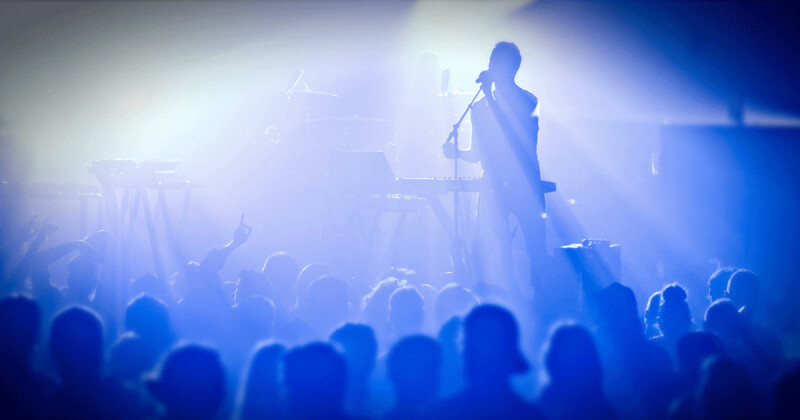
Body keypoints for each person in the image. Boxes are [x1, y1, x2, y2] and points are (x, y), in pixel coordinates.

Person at [442, 41, 546, 289]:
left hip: (525, 185)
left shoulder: (529, 101)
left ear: (512, 69)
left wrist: (489, 95)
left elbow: (515, 136)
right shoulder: (479, 108)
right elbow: (477, 154)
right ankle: (501, 293)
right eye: (490, 62)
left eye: (496, 63)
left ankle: (540, 297)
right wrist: (456, 153)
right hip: (493, 186)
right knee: (493, 247)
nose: (491, 67)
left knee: (535, 249)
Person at [426, 304, 545, 420]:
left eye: (485, 344)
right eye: (470, 343)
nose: (473, 353)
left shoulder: (441, 414)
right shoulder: (530, 415)